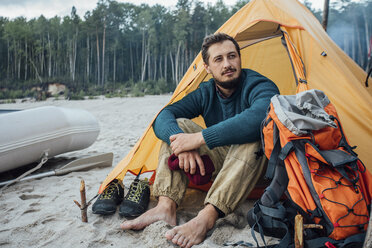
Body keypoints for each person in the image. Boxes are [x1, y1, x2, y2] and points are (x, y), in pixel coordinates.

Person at [120, 33, 279, 248]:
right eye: (218, 59)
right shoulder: (206, 92)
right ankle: (165, 207)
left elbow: (262, 114)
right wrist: (183, 146)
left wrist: (198, 139)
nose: (228, 64)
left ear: (240, 59)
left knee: (256, 135)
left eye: (232, 56)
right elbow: (163, 116)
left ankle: (207, 217)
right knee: (178, 126)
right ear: (207, 68)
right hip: (224, 167)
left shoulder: (258, 84)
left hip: (257, 171)